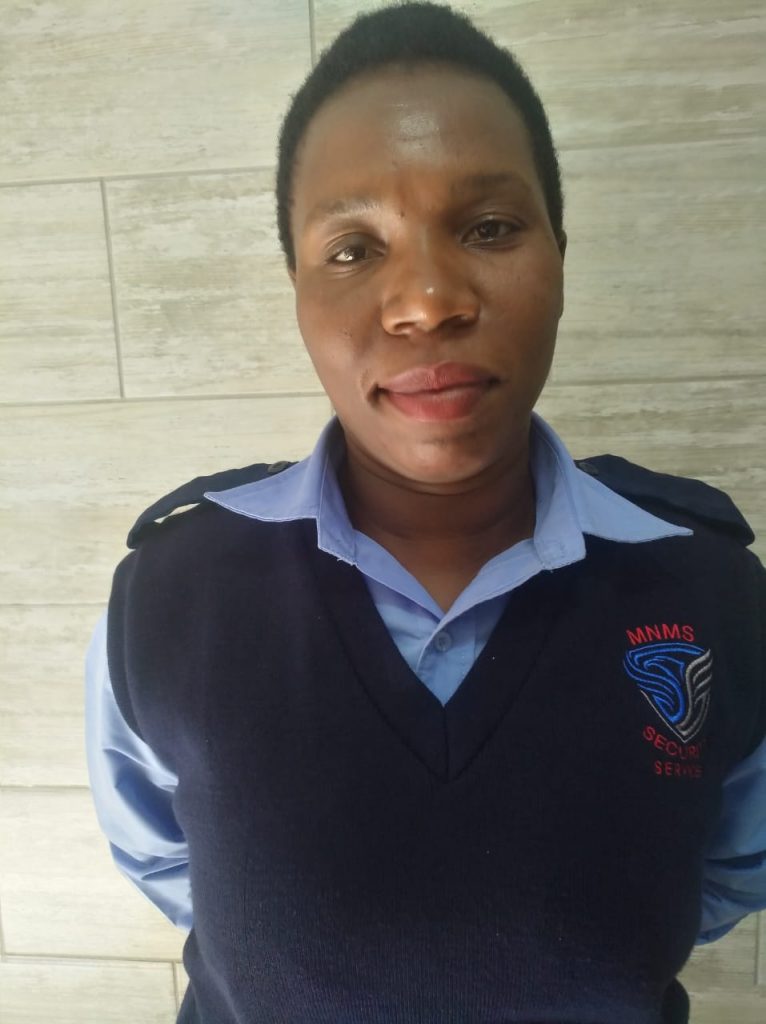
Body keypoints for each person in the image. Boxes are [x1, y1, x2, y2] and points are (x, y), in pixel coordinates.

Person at [84, 3, 766, 1022]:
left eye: (488, 228)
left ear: (560, 254)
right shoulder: (170, 596)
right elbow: (172, 866)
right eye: (354, 249)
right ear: (297, 288)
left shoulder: (710, 588)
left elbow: (725, 871)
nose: (427, 300)